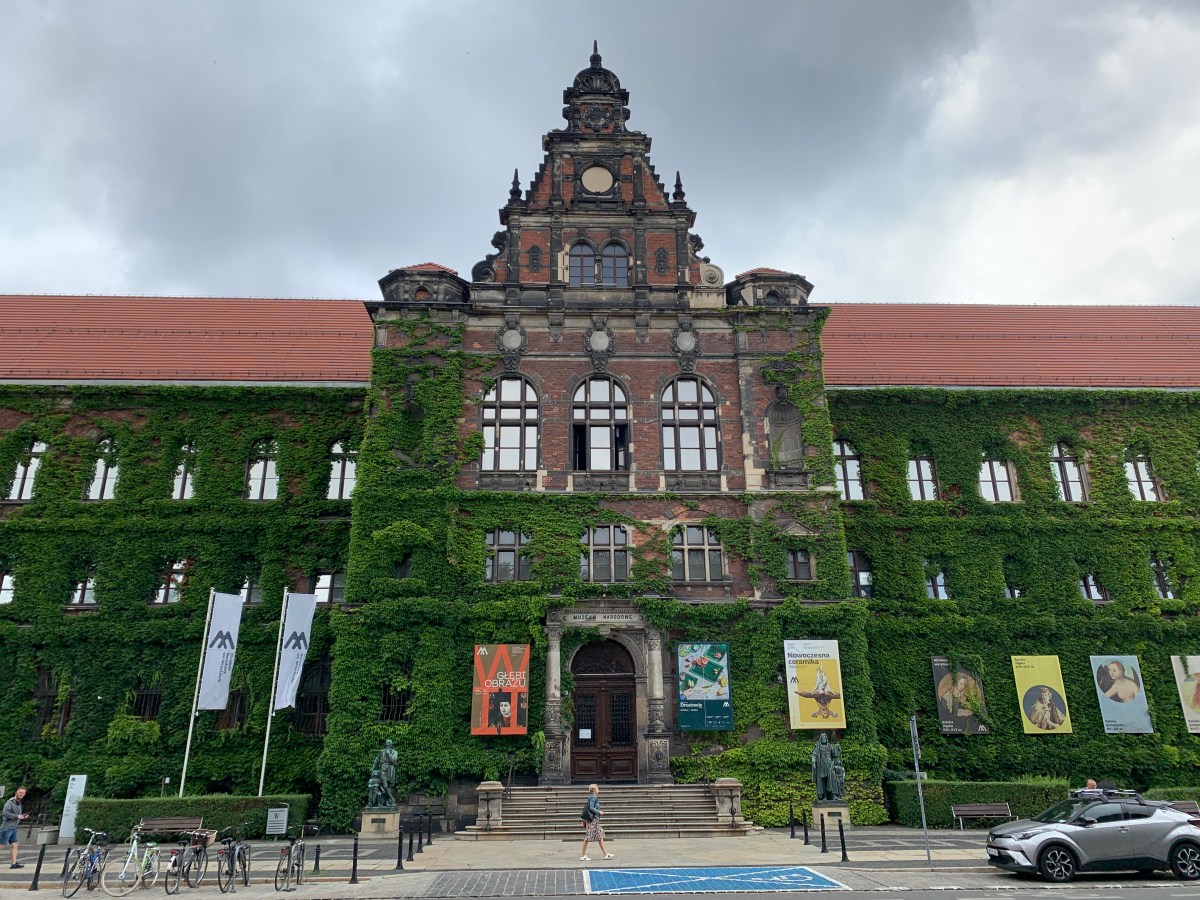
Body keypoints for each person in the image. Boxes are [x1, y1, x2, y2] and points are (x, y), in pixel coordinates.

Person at [579, 784, 614, 862]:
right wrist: (599, 812)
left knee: (600, 836)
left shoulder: (593, 797)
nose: (598, 789)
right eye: (597, 788)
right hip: (593, 821)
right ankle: (583, 855)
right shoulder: (592, 798)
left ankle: (605, 854)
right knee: (587, 837)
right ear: (594, 790)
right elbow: (591, 808)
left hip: (595, 820)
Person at [1, 786, 28, 868]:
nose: (21, 794)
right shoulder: (10, 802)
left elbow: (18, 815)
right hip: (7, 828)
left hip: (13, 828)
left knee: (15, 845)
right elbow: (5, 813)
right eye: (20, 793)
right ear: (16, 792)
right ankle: (13, 863)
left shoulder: (18, 803)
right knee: (1, 845)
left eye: (23, 793)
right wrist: (17, 816)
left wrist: (23, 816)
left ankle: (13, 863)